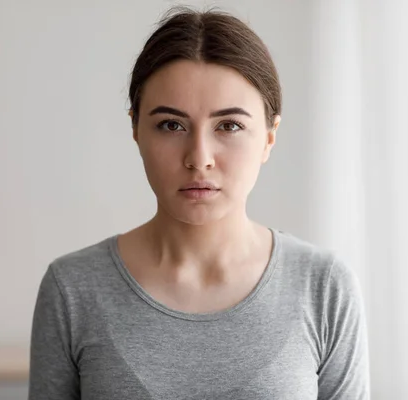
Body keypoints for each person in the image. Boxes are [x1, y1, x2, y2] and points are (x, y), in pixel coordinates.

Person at [28, 6, 370, 400]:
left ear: (269, 138)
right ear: (136, 130)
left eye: (229, 126)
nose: (199, 157)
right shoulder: (72, 289)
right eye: (171, 125)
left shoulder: (324, 287)